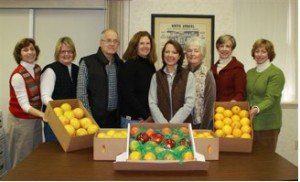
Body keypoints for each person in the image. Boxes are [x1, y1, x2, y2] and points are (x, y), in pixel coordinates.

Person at [7, 38, 45, 169]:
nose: (30, 52)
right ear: (19, 54)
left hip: (35, 119)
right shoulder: (17, 75)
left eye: (32, 49)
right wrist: (43, 115)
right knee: (21, 159)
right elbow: (24, 105)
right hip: (21, 121)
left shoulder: (37, 69)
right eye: (25, 50)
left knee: (35, 156)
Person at [77, 29, 123, 128]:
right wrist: (89, 118)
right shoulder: (87, 62)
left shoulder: (120, 64)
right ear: (101, 43)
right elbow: (81, 94)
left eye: (115, 41)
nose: (112, 44)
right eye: (108, 40)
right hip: (93, 120)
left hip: (116, 121)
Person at [246, 39, 285, 152]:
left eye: (263, 51)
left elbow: (271, 98)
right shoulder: (250, 73)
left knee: (266, 162)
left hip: (268, 126)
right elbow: (247, 96)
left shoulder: (276, 73)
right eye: (257, 51)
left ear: (269, 54)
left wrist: (256, 109)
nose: (259, 54)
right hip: (249, 125)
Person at [148, 39, 195, 125]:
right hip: (161, 126)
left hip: (183, 127)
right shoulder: (156, 76)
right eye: (167, 52)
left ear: (179, 56)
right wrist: (164, 124)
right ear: (163, 54)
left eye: (174, 52)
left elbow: (189, 104)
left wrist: (172, 124)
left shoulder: (189, 76)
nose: (170, 55)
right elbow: (152, 103)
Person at [41, 37, 79, 142]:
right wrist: (60, 111)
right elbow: (45, 96)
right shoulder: (50, 70)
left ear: (74, 53)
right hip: (54, 120)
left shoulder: (77, 70)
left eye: (69, 51)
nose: (66, 54)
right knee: (54, 153)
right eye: (63, 51)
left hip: (73, 121)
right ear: (58, 53)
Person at [120, 31, 157, 128]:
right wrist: (146, 116)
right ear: (135, 46)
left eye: (148, 43)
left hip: (147, 118)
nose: (145, 46)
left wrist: (150, 116)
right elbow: (128, 95)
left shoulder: (150, 64)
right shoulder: (129, 65)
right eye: (141, 43)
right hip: (133, 120)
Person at [185, 37, 216, 129]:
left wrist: (203, 129)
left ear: (202, 54)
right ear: (186, 54)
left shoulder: (207, 74)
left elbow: (210, 104)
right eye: (189, 50)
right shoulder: (182, 73)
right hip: (184, 122)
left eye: (196, 51)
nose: (192, 54)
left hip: (201, 124)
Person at [211, 34, 246, 101]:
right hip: (215, 108)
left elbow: (240, 93)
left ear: (232, 49)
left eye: (227, 46)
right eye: (221, 46)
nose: (224, 49)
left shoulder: (238, 68)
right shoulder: (213, 68)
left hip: (230, 109)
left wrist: (232, 103)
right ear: (218, 49)